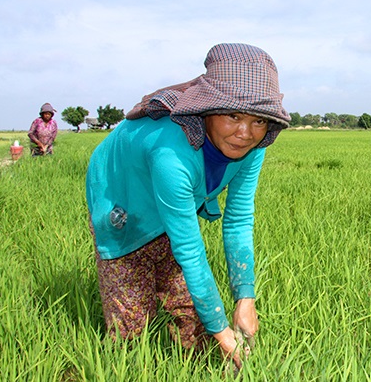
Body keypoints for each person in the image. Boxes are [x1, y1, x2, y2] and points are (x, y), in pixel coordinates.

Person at [85, 43, 290, 369]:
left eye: (259, 121)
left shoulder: (255, 144)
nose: (244, 133)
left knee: (190, 310)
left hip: (174, 197)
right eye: (233, 115)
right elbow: (190, 249)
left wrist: (245, 299)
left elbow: (238, 220)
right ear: (208, 109)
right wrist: (223, 330)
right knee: (133, 322)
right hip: (123, 195)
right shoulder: (172, 153)